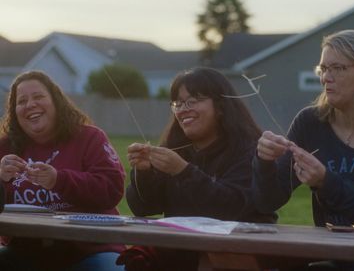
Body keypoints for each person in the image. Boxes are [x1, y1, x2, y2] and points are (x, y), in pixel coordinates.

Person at [252, 29, 354, 270]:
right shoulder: (310, 122)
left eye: (338, 69)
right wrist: (264, 161)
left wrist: (325, 182)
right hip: (333, 250)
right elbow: (267, 202)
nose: (326, 78)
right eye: (323, 69)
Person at [118, 67, 276, 270]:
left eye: (193, 101)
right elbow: (145, 208)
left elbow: (232, 208)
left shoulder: (249, 150)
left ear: (220, 106)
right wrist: (143, 172)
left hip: (238, 251)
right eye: (178, 103)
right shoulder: (174, 148)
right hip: (184, 250)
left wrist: (183, 171)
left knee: (211, 260)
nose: (183, 109)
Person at [0, 70, 126, 271]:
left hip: (90, 249)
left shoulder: (89, 137)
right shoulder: (4, 148)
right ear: (14, 112)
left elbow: (112, 189)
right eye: (21, 101)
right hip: (25, 252)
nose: (30, 104)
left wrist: (59, 180)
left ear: (56, 102)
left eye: (39, 97)